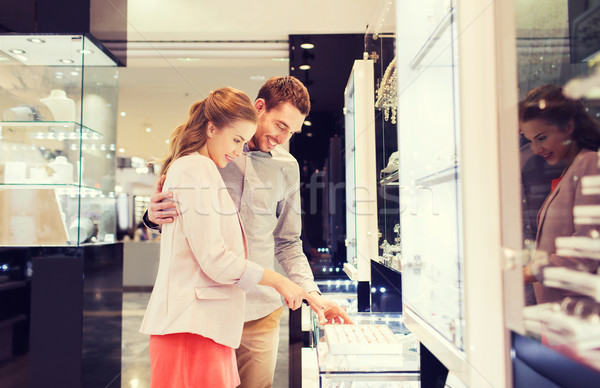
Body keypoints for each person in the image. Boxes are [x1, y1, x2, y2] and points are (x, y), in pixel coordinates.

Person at [143, 76, 353, 387]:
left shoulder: (287, 167)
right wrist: (150, 216)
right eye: (281, 126)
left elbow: (288, 242)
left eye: (292, 132)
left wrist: (311, 294)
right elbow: (175, 214)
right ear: (259, 107)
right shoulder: (209, 153)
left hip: (260, 309)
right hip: (205, 310)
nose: (283, 137)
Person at [520, 84, 600, 304]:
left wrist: (528, 273)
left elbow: (588, 248)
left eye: (542, 138)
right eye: (530, 141)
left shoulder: (590, 163)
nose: (536, 150)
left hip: (578, 314)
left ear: (568, 127)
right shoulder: (573, 168)